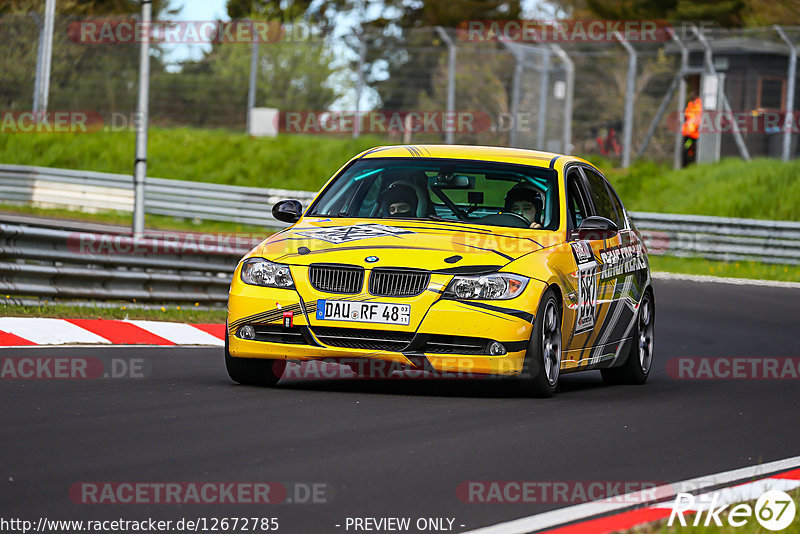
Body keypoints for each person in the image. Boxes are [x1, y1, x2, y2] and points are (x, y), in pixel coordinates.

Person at [682, 90, 702, 166]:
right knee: (687, 147)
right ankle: (688, 160)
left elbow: (697, 118)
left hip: (693, 133)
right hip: (688, 132)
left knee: (690, 147)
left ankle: (691, 160)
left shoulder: (698, 104)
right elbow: (687, 115)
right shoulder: (690, 104)